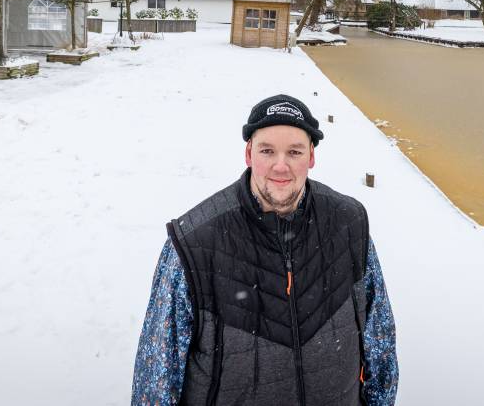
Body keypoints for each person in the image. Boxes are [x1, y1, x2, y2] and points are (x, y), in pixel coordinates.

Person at [131, 94, 398, 405]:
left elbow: (380, 342)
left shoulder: (348, 224)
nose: (281, 166)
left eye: (295, 152)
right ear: (248, 153)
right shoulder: (192, 244)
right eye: (267, 151)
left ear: (311, 156)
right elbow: (156, 378)